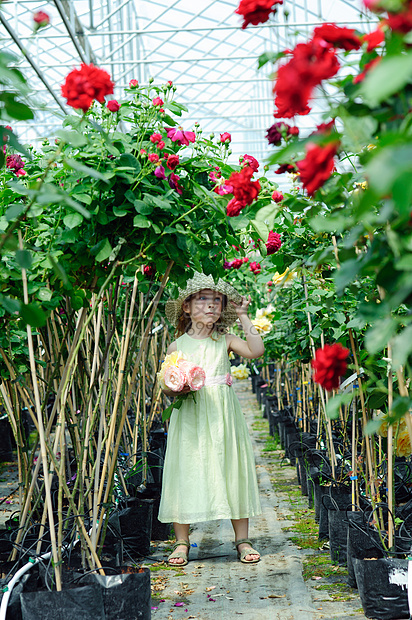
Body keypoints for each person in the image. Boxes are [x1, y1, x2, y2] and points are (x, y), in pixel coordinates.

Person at [158, 272, 264, 566]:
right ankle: (182, 541)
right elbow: (167, 385)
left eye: (217, 300)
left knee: (231, 466)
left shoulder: (226, 340)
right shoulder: (177, 346)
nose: (211, 305)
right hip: (191, 415)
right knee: (187, 468)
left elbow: (256, 350)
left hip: (222, 416)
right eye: (203, 299)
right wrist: (175, 385)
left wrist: (244, 316)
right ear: (187, 308)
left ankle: (242, 538)